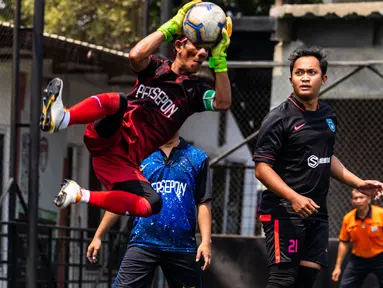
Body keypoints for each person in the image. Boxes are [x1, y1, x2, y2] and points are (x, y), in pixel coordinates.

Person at [39, 0, 231, 218]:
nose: (201, 54)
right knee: (118, 101)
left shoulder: (194, 91)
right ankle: (63, 117)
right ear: (179, 46)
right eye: (196, 46)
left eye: (205, 51)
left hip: (123, 161)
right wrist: (171, 25)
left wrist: (221, 60)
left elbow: (222, 103)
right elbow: (135, 56)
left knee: (152, 204)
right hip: (110, 134)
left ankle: (79, 194)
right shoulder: (157, 68)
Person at [252, 45, 383, 288]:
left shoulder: (328, 115)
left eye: (311, 72)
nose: (304, 77)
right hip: (285, 210)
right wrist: (293, 197)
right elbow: (261, 168)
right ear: (290, 77)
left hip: (317, 212)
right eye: (298, 72)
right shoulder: (278, 118)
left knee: (307, 279)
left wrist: (358, 183)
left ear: (323, 79)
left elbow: (327, 157)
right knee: (283, 279)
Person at [87, 131, 212, 288]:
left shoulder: (197, 158)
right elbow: (122, 198)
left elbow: (203, 202)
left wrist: (206, 241)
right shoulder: (139, 155)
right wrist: (98, 235)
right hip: (143, 241)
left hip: (181, 245)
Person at [332, 189, 383, 288]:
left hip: (380, 256)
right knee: (345, 286)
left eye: (361, 197)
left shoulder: (380, 214)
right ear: (352, 201)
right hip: (358, 259)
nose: (358, 201)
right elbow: (344, 242)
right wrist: (337, 267)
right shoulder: (348, 218)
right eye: (356, 198)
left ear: (368, 199)